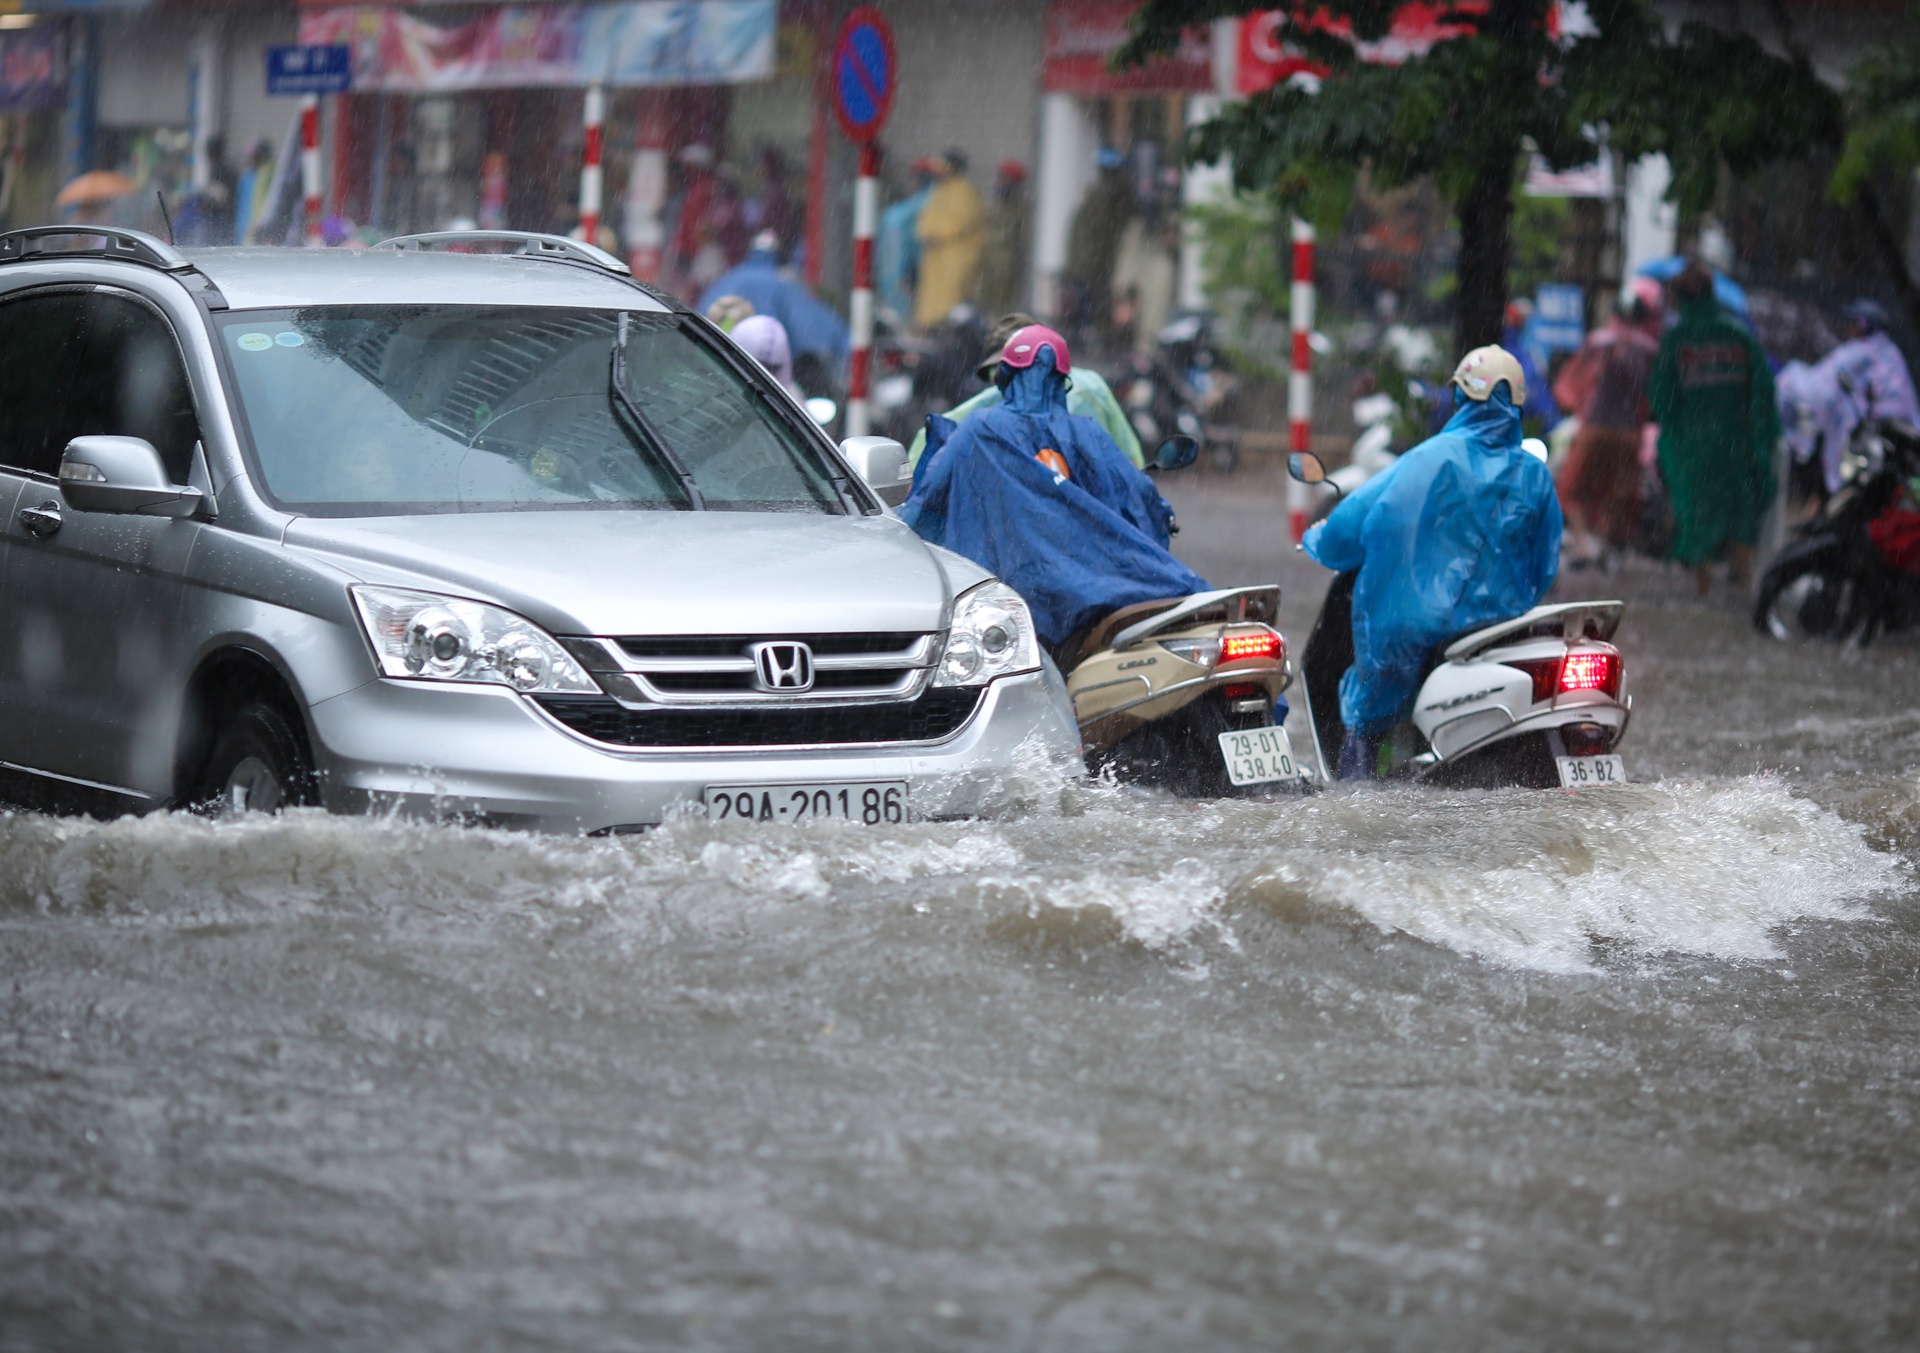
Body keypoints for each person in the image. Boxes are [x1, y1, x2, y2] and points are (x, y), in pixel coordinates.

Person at [1303, 346, 1562, 780]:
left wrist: (1318, 537)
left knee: (1368, 708)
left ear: (1461, 398)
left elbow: (1355, 523)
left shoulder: (1429, 458)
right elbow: (1544, 565)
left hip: (1423, 632)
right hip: (1502, 629)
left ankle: (1354, 789)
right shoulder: (1534, 474)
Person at [898, 325, 1206, 655]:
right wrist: (1161, 514)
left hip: (1012, 595)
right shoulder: (1088, 432)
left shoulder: (979, 428)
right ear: (1062, 381)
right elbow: (1138, 491)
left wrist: (892, 529)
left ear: (1006, 376)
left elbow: (928, 495)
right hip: (1091, 590)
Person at [1650, 262, 1780, 596]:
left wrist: (1677, 433)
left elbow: (1662, 397)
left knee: (1697, 518)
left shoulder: (1676, 339)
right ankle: (1745, 590)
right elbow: (1763, 392)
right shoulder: (1738, 334)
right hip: (1739, 445)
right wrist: (1759, 437)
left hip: (1695, 448)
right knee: (1742, 517)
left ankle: (1703, 593)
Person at [904, 311, 1144, 469]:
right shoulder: (985, 412)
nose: (1000, 380)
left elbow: (1130, 466)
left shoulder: (1084, 399)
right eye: (997, 372)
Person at [1552, 280, 1662, 563]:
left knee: (1573, 488)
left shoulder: (1598, 341)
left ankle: (1582, 543)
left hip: (1595, 428)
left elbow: (1572, 385)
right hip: (1629, 433)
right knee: (1618, 493)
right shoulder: (1649, 349)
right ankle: (1599, 543)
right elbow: (1656, 393)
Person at [1788, 299, 1919, 495]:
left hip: (1882, 436)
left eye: (1852, 323)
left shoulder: (1861, 351)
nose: (1847, 328)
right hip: (1906, 436)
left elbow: (1817, 386)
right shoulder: (1891, 350)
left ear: (1863, 325)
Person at [697, 231, 849, 379]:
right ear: (777, 255)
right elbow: (813, 322)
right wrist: (846, 342)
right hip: (769, 374)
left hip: (725, 366)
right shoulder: (783, 284)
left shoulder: (728, 280)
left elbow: (703, 319)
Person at [1063, 147, 1134, 350]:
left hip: (1086, 263)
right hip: (1092, 265)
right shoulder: (1107, 196)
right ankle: (1092, 340)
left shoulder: (1097, 194)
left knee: (1086, 307)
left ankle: (1088, 338)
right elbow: (1103, 233)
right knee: (1091, 308)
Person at [913, 151, 985, 331]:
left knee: (950, 299)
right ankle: (931, 328)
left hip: (954, 257)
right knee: (932, 298)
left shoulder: (964, 191)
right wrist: (926, 233)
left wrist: (938, 234)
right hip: (936, 257)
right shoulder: (938, 191)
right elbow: (925, 217)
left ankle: (947, 331)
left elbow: (962, 221)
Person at [876, 157, 934, 321]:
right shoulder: (911, 207)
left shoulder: (909, 210)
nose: (910, 182)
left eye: (914, 178)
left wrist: (902, 272)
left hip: (910, 269)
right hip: (907, 269)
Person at [976, 161, 1029, 319]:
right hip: (988, 264)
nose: (998, 183)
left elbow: (1015, 241)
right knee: (984, 305)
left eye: (1003, 179)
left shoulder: (1018, 209)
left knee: (1001, 308)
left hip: (1005, 265)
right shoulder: (996, 207)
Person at [729, 315, 801, 399]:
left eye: (772, 369)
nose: (762, 377)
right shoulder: (792, 404)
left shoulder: (792, 403)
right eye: (750, 367)